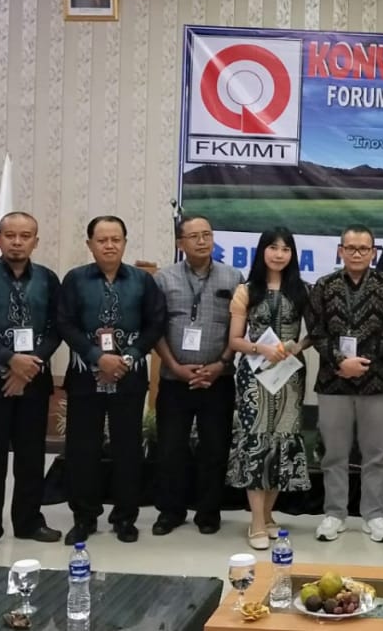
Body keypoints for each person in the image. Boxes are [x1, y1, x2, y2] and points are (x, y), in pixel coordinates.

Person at [56, 215, 166, 545]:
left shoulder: (142, 281)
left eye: (115, 239)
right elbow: (64, 323)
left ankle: (125, 517)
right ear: (89, 244)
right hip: (85, 376)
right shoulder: (75, 279)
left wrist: (128, 357)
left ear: (125, 243)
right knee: (82, 448)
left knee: (127, 447)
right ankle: (84, 517)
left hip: (129, 376)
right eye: (102, 240)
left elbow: (155, 323)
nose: (109, 245)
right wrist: (97, 357)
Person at [0, 212, 63, 555]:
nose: (17, 242)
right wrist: (9, 359)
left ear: (36, 240)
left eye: (25, 236)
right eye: (10, 235)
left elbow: (57, 328)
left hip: (34, 380)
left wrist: (27, 367)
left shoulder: (48, 279)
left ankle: (29, 521)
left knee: (31, 458)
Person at [308, 225, 383, 543]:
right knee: (334, 453)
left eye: (364, 248)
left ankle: (374, 515)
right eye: (351, 248)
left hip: (375, 380)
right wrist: (340, 362)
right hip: (333, 381)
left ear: (374, 253)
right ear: (340, 251)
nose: (357, 253)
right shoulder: (324, 286)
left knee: (375, 454)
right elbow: (316, 331)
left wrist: (362, 362)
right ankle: (334, 514)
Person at [151, 215, 244, 538]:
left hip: (218, 379)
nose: (202, 241)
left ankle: (208, 512)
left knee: (214, 449)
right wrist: (175, 366)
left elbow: (240, 328)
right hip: (175, 379)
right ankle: (170, 511)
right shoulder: (163, 279)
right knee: (170, 449)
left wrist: (221, 364)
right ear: (180, 243)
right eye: (194, 236)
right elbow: (155, 329)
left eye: (207, 234)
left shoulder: (233, 277)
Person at [226, 227, 313, 549]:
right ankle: (257, 522)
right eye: (273, 248)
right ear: (262, 251)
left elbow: (315, 332)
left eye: (285, 249)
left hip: (289, 376)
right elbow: (235, 340)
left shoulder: (302, 290)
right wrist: (259, 349)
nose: (279, 254)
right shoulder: (246, 290)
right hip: (254, 375)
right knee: (257, 442)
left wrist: (296, 347)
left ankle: (267, 514)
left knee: (282, 443)